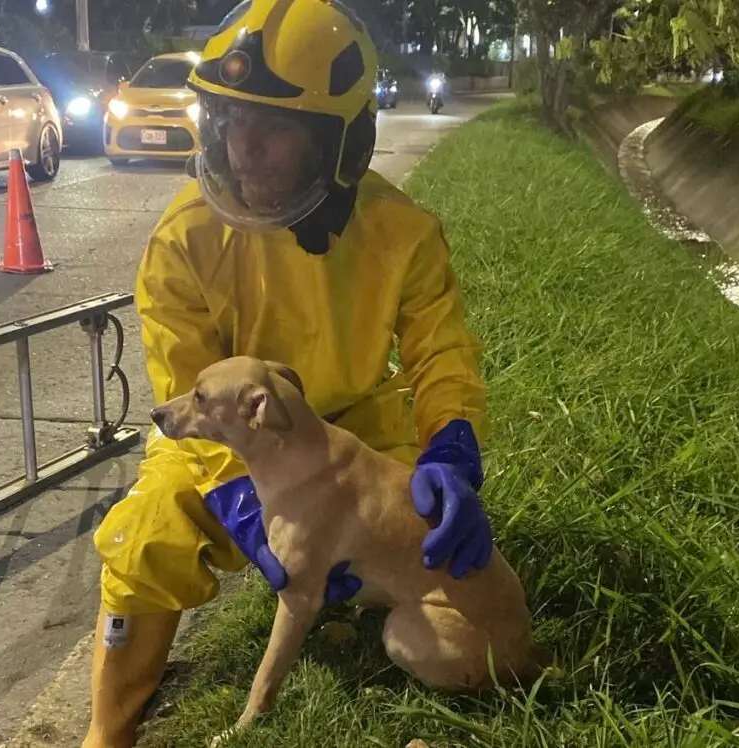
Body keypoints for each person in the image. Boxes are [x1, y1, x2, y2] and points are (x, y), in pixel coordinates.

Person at [82, 1, 493, 746]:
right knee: (147, 537)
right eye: (230, 122)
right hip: (223, 443)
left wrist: (453, 447)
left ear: (340, 141)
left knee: (418, 531)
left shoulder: (402, 233)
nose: (243, 150)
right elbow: (186, 391)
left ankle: (361, 622)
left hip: (359, 431)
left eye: (273, 127)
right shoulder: (184, 239)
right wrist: (243, 497)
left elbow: (442, 354)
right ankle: (107, 730)